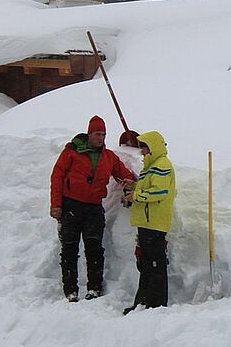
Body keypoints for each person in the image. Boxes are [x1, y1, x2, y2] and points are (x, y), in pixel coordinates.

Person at [49, 116, 135, 302]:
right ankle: (70, 290)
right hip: (70, 205)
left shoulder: (108, 157)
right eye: (97, 134)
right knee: (69, 248)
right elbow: (57, 176)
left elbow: (124, 174)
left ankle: (94, 288)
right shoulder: (71, 152)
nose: (101, 138)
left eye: (104, 134)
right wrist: (56, 204)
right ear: (89, 134)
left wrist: (134, 184)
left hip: (94, 207)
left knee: (94, 248)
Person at [123, 131, 176, 314]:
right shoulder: (151, 166)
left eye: (144, 147)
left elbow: (160, 192)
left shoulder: (162, 165)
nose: (142, 151)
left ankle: (156, 305)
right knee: (145, 264)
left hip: (154, 222)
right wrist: (133, 186)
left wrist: (136, 195)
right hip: (147, 222)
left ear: (152, 147)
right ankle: (144, 302)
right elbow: (149, 187)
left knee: (154, 265)